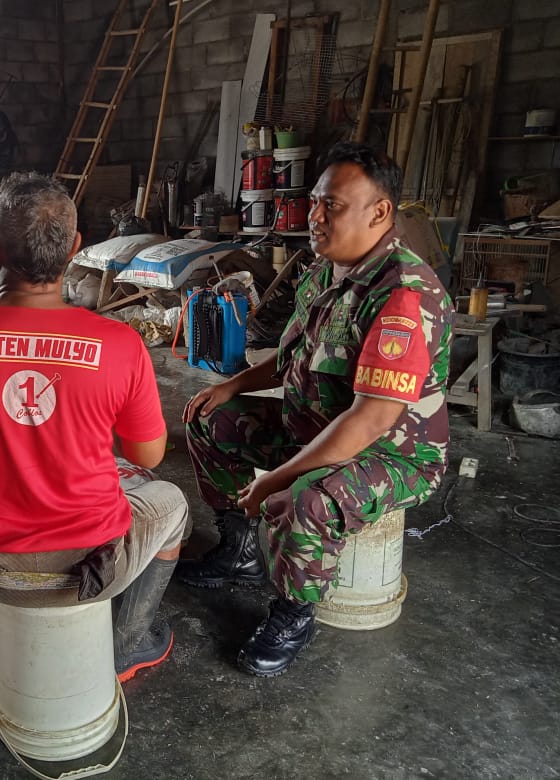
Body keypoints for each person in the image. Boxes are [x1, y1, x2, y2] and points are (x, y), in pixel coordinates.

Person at [177, 142, 453, 677]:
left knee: (306, 498)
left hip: (393, 454)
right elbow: (292, 358)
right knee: (210, 419)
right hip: (316, 425)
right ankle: (239, 552)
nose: (316, 217)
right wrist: (231, 387)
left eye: (334, 206)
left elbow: (370, 420)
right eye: (316, 202)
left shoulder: (403, 295)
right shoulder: (327, 269)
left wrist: (276, 478)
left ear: (380, 212)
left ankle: (293, 612)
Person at [0, 172, 188, 680]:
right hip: (97, 567)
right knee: (173, 503)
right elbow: (146, 456)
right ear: (75, 249)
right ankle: (128, 644)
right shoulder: (120, 344)